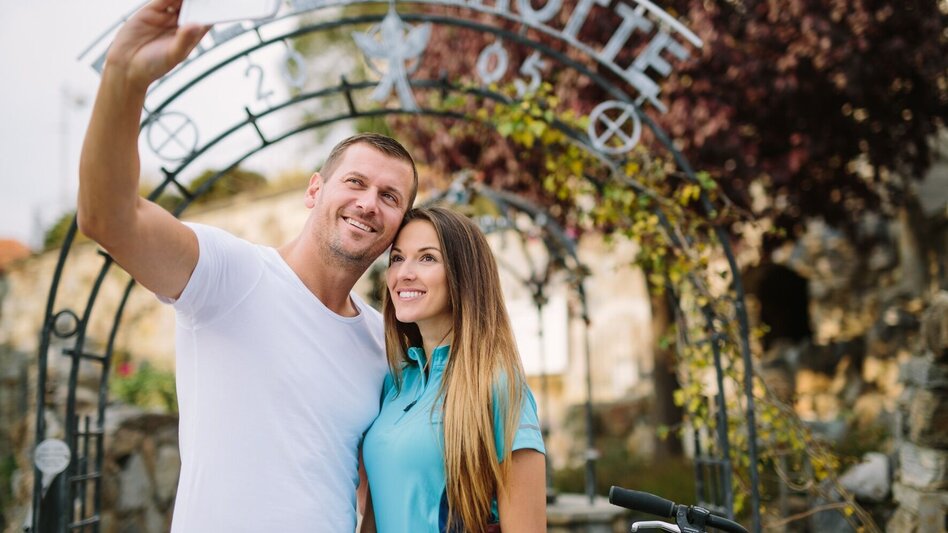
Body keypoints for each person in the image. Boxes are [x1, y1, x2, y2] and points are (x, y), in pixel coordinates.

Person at [77, 1, 418, 530]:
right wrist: (126, 77)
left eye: (390, 196)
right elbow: (107, 217)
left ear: (399, 223)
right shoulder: (231, 274)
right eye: (355, 182)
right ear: (314, 190)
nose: (370, 203)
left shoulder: (384, 341)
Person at [361, 207, 547, 533]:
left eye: (427, 258)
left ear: (464, 275)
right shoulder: (396, 382)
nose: (404, 273)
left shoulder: (498, 385)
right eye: (397, 258)